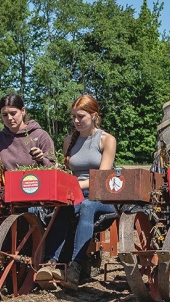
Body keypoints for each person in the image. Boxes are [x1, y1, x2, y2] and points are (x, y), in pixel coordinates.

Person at [38, 93, 117, 289]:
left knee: (87, 206)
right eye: (73, 116)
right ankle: (51, 264)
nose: (76, 121)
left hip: (101, 197)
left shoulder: (106, 140)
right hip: (74, 195)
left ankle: (75, 267)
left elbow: (102, 177)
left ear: (94, 116)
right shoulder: (69, 141)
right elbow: (66, 173)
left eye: (80, 116)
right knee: (60, 208)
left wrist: (72, 186)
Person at [0, 93, 56, 171]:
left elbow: (53, 169)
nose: (9, 118)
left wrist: (41, 159)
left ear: (23, 111)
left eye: (13, 113)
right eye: (5, 115)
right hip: (6, 183)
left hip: (35, 182)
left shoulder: (41, 136)